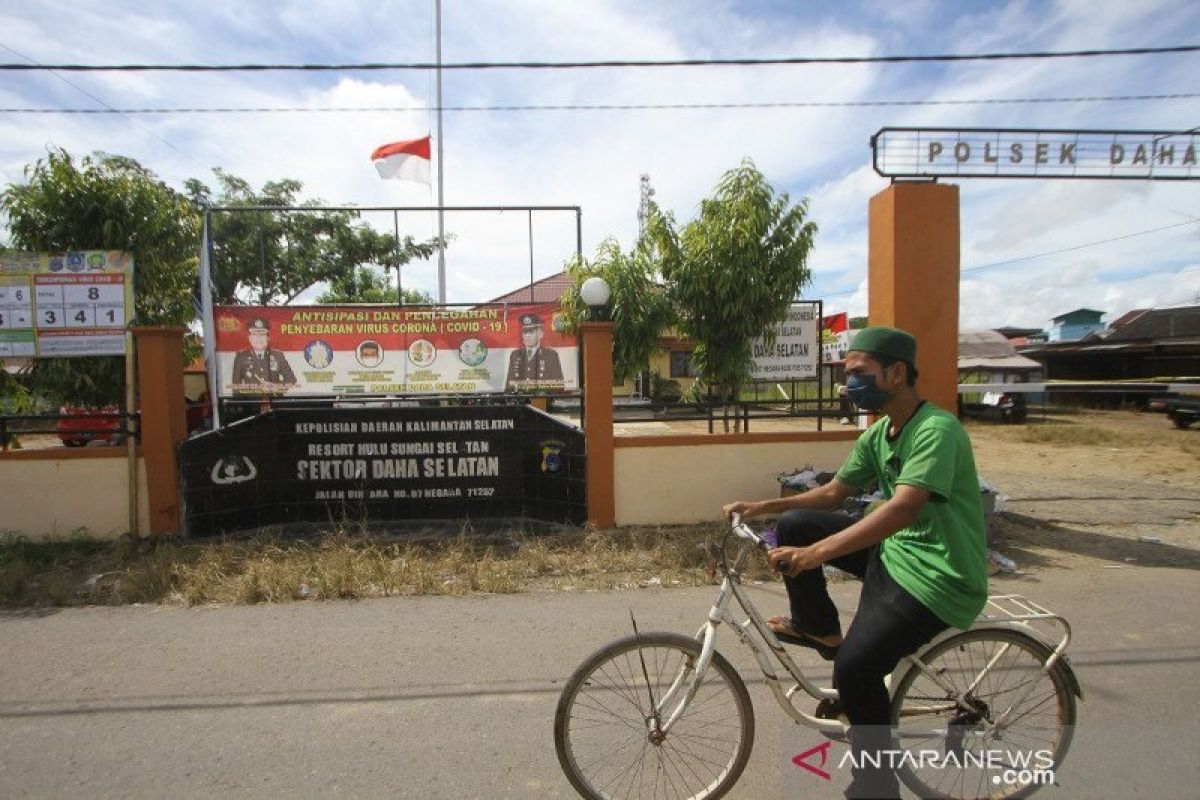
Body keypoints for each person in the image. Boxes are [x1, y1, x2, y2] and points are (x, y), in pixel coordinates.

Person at [723, 326, 987, 799]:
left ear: (897, 372)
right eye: (847, 375)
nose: (849, 385)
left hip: (938, 579)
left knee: (854, 671)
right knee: (797, 523)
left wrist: (815, 556)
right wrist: (761, 507)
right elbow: (832, 493)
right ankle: (819, 626)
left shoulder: (936, 431)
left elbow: (904, 507)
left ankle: (877, 786)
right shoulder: (880, 433)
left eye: (859, 373)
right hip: (896, 555)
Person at [230, 318, 297, 395]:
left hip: (274, 401)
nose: (259, 339)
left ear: (268, 338)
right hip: (251, 403)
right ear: (250, 338)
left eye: (262, 335)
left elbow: (291, 379)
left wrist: (276, 387)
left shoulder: (278, 355)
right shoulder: (241, 357)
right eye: (255, 335)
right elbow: (236, 387)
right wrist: (240, 405)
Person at [505, 313, 563, 390]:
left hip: (543, 399)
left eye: (531, 332)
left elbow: (558, 386)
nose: (527, 335)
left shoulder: (551, 355)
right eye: (525, 332)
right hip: (521, 399)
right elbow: (509, 385)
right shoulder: (515, 355)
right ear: (522, 335)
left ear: (541, 334)